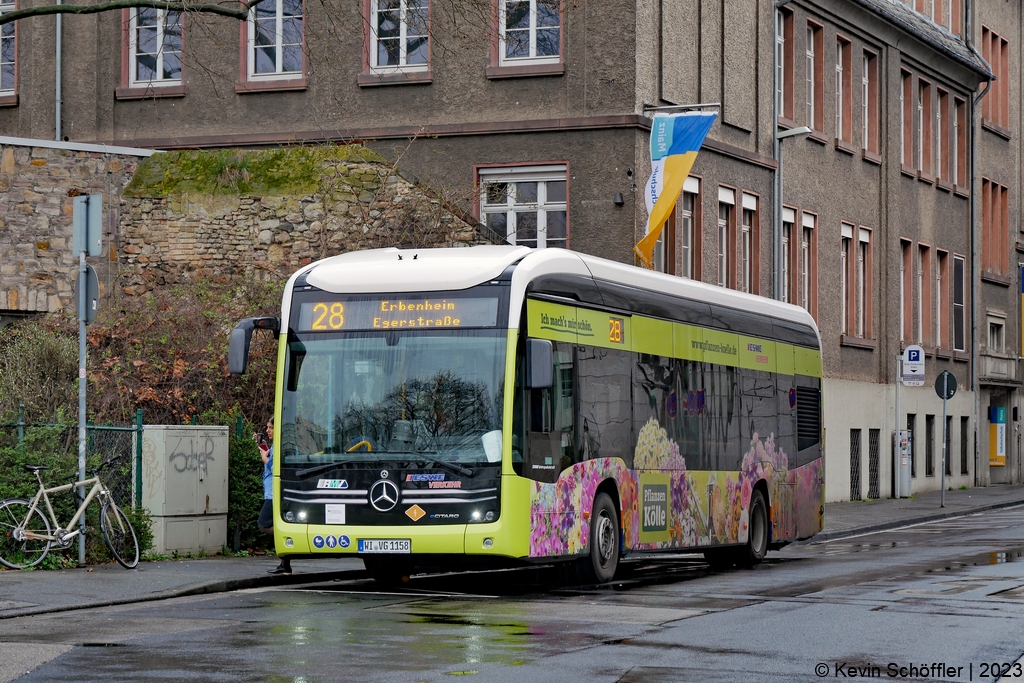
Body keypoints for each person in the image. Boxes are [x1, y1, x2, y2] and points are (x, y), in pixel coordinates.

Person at [257, 417, 291, 575]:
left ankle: (287, 537)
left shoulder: (279, 447)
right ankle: (285, 562)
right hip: (273, 493)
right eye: (267, 427)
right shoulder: (278, 446)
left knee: (263, 524)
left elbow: (277, 467)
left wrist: (265, 459)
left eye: (271, 427)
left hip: (274, 494)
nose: (267, 431)